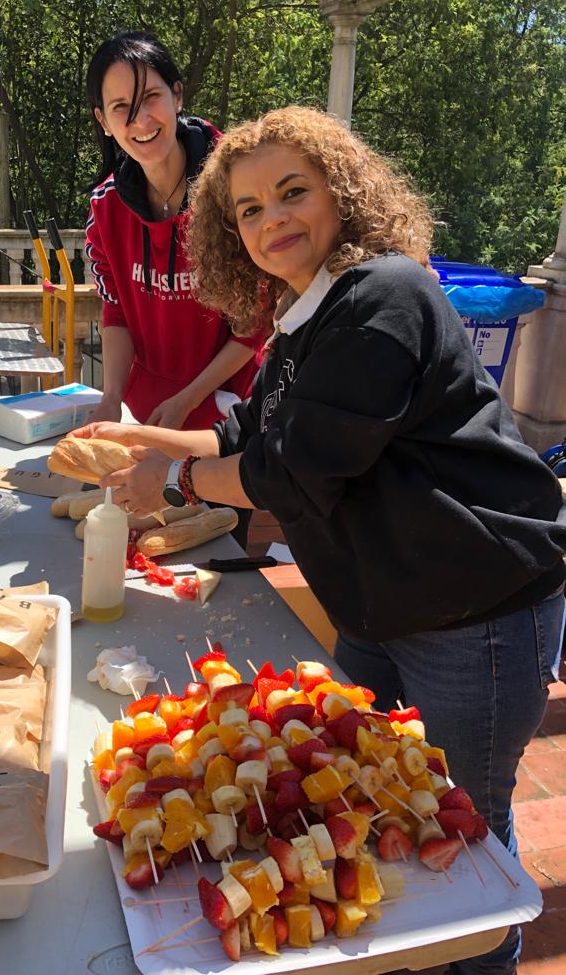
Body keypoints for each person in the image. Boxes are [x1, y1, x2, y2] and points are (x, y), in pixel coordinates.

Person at [72, 106, 566, 975]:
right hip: (379, 607)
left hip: (475, 610)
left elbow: (290, 475)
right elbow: (244, 441)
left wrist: (174, 481)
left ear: (345, 195)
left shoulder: (385, 292)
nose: (272, 221)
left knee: (465, 830)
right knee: (372, 798)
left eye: (292, 193)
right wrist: (152, 442)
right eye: (250, 209)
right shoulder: (304, 318)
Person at [84, 31, 265, 430]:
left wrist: (187, 400)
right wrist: (111, 397)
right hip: (148, 415)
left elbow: (256, 320)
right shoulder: (106, 207)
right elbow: (116, 310)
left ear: (177, 95)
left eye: (151, 98)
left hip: (232, 413)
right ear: (104, 121)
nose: (142, 120)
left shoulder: (236, 188)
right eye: (121, 108)